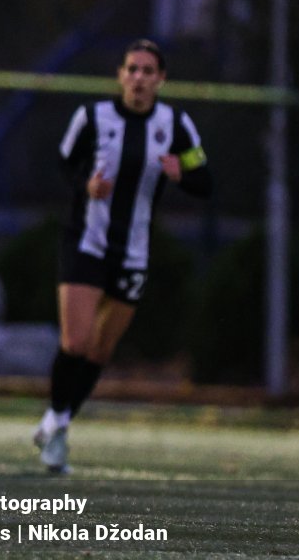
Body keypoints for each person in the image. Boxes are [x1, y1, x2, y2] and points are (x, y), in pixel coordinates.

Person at [33, 38, 212, 473]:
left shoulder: (176, 126)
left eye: (148, 71)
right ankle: (57, 427)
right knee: (75, 342)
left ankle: (58, 421)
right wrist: (86, 187)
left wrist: (182, 175)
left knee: (99, 350)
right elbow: (63, 165)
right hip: (85, 241)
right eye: (132, 69)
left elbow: (203, 179)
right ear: (120, 75)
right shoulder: (92, 118)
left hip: (133, 251)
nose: (139, 78)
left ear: (161, 79)